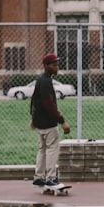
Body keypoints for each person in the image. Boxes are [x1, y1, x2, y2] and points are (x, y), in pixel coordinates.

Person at [30, 53, 70, 187]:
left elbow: (34, 101)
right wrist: (62, 121)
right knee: (52, 149)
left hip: (40, 123)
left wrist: (34, 119)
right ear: (46, 66)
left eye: (57, 64)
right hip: (48, 123)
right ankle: (51, 178)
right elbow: (49, 104)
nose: (56, 67)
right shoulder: (46, 81)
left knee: (42, 150)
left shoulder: (40, 79)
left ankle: (39, 176)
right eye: (53, 65)